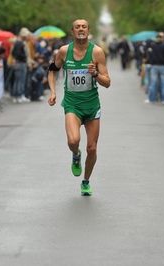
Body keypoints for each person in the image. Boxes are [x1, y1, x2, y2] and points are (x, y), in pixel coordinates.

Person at [47, 19, 111, 196]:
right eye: (77, 27)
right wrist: (53, 92)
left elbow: (107, 83)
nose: (81, 29)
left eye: (84, 27)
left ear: (89, 31)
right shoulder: (64, 51)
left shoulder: (97, 52)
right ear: (72, 32)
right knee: (73, 141)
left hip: (91, 105)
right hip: (72, 103)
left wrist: (95, 73)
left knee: (92, 148)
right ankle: (76, 155)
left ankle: (86, 181)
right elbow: (52, 70)